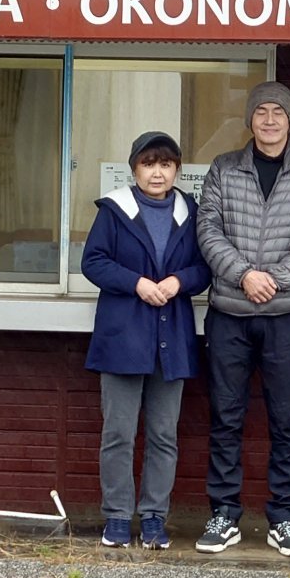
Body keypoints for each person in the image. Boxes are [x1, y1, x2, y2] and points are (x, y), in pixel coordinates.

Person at [193, 82, 290, 558]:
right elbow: (207, 229)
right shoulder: (223, 169)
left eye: (278, 112)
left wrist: (271, 280)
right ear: (250, 120)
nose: (270, 120)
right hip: (229, 314)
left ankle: (285, 518)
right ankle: (224, 514)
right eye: (262, 112)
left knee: (286, 420)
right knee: (226, 418)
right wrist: (242, 275)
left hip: (287, 317)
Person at [81, 130, 210, 550]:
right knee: (118, 433)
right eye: (149, 163)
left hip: (170, 337)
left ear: (177, 169)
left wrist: (178, 280)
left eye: (166, 164)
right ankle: (117, 516)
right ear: (134, 168)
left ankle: (154, 516)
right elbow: (93, 262)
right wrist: (137, 283)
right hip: (123, 336)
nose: (158, 172)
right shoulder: (114, 211)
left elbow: (204, 267)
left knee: (162, 434)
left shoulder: (190, 211)